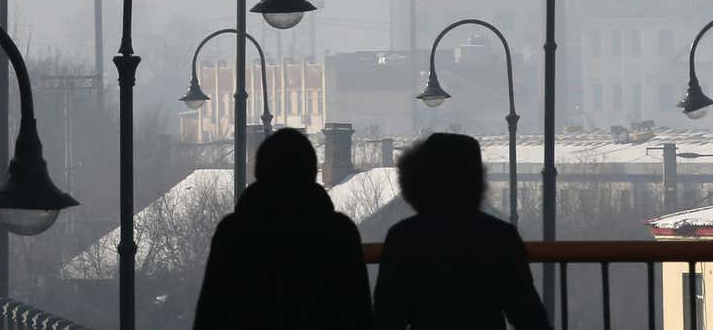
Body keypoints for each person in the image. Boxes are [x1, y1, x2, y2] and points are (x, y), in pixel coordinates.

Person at [193, 128, 373, 330]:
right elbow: (359, 313)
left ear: (261, 170)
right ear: (311, 171)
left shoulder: (234, 233)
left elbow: (210, 314)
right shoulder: (339, 233)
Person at [373, 133, 550, 330]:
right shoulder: (500, 237)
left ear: (419, 180)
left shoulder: (403, 238)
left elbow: (387, 317)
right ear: (475, 181)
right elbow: (528, 315)